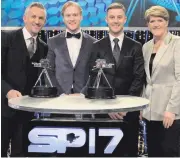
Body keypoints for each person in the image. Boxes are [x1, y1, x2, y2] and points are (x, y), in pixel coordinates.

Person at [88, 2, 144, 156]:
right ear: (106, 19)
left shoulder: (136, 46)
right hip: (103, 110)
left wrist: (124, 107)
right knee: (103, 151)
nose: (115, 20)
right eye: (112, 17)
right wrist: (108, 106)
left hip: (128, 111)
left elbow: (139, 78)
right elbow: (93, 77)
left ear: (125, 19)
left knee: (129, 150)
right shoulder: (96, 46)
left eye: (119, 17)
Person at [1, 2, 48, 156]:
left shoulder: (43, 47)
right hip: (3, 110)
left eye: (41, 18)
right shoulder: (6, 38)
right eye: (33, 16)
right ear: (24, 18)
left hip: (26, 113)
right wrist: (7, 91)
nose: (37, 21)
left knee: (21, 153)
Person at [142, 6, 180, 157]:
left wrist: (172, 109)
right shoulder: (146, 47)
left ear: (167, 22)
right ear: (148, 25)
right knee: (153, 152)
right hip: (150, 112)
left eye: (160, 20)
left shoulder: (177, 43)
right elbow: (145, 80)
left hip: (169, 112)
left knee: (169, 151)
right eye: (152, 21)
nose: (156, 24)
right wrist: (141, 106)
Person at [47, 1, 96, 96]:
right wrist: (60, 93)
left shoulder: (93, 42)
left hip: (85, 98)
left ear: (81, 17)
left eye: (75, 15)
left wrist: (83, 93)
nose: (72, 18)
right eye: (68, 15)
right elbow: (49, 71)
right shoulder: (53, 41)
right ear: (63, 18)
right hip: (59, 98)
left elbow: (95, 73)